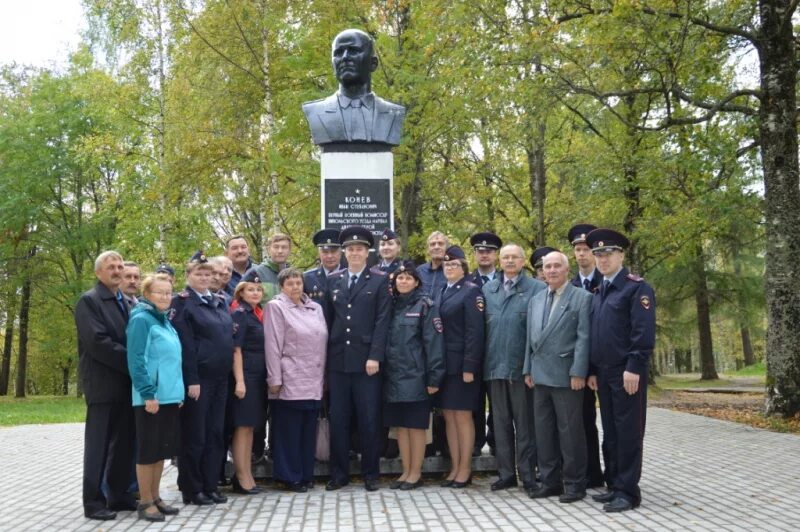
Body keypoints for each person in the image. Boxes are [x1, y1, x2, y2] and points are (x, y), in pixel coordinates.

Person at [585, 228, 656, 513]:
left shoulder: (636, 288)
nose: (603, 259)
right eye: (598, 254)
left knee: (628, 432)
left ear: (621, 255)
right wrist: (591, 370)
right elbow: (595, 334)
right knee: (611, 432)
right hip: (603, 373)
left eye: (608, 253)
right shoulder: (600, 289)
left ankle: (628, 492)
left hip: (626, 372)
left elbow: (643, 332)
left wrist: (634, 367)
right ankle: (614, 485)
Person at [323, 226, 391, 491]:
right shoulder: (334, 280)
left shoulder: (379, 280)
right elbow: (328, 322)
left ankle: (370, 474)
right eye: (350, 249)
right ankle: (339, 474)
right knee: (338, 419)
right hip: (338, 361)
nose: (354, 253)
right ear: (344, 252)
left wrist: (375, 355)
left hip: (367, 363)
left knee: (368, 419)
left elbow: (382, 321)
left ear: (367, 252)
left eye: (359, 249)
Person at [523, 251, 592, 503]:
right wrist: (527, 369)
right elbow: (530, 341)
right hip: (539, 376)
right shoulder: (537, 299)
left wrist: (578, 371)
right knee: (544, 432)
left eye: (556, 266)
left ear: (566, 270)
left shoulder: (582, 298)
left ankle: (575, 484)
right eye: (546, 267)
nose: (550, 270)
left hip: (566, 376)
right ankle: (550, 482)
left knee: (570, 432)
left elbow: (584, 339)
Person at [74, 251, 136, 521]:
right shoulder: (90, 301)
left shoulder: (127, 302)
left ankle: (119, 495)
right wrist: (135, 362)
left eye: (120, 266)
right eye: (111, 267)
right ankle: (94, 502)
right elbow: (98, 343)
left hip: (126, 385)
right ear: (98, 272)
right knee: (98, 446)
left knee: (124, 444)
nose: (117, 270)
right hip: (102, 386)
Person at [171, 251, 234, 506]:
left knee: (215, 434)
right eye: (199, 273)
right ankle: (192, 488)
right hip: (198, 380)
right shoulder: (182, 303)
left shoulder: (218, 301)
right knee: (195, 436)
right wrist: (191, 379)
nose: (204, 277)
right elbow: (185, 345)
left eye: (208, 274)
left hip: (220, 379)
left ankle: (210, 486)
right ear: (188, 275)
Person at [483, 244, 546, 494]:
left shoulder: (537, 289)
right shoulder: (488, 289)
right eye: (505, 257)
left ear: (522, 262)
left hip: (521, 371)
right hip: (494, 369)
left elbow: (538, 334)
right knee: (500, 425)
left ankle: (529, 476)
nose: (509, 261)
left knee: (525, 426)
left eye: (514, 257)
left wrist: (529, 368)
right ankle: (506, 474)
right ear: (500, 261)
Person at [126, 273, 184, 522]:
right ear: (147, 294)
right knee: (148, 450)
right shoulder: (142, 319)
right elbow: (136, 359)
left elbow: (173, 361)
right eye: (159, 292)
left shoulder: (164, 320)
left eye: (168, 292)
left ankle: (156, 496)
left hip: (169, 397)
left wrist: (178, 392)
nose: (164, 296)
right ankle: (145, 501)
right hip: (151, 397)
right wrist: (148, 392)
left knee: (161, 450)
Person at [265, 268, 328, 492]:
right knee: (289, 432)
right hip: (289, 377)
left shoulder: (315, 307)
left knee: (307, 431)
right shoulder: (276, 307)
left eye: (298, 282)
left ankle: (305, 474)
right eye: (289, 283)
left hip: (313, 378)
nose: (295, 287)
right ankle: (289, 476)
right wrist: (274, 377)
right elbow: (272, 345)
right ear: (282, 286)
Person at [383, 261, 445, 490]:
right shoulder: (389, 305)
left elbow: (434, 344)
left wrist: (434, 377)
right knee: (400, 427)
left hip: (416, 376)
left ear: (417, 282)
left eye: (408, 278)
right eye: (400, 278)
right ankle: (405, 471)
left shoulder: (425, 305)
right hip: (393, 376)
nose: (404, 281)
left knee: (416, 426)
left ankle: (415, 473)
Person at [302, 29, 406, 146]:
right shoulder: (315, 111)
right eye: (338, 53)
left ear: (373, 63)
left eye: (354, 51)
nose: (345, 57)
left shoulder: (393, 113)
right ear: (333, 65)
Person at [436, 246, 485, 488]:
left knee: (463, 417)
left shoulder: (471, 291)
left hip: (463, 367)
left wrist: (470, 366)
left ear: (464, 267)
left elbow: (475, 333)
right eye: (446, 265)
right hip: (445, 366)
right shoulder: (443, 290)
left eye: (454, 264)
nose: (450, 268)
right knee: (449, 417)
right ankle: (454, 467)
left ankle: (465, 469)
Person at [567, 223, 606, 489]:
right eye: (577, 250)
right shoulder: (569, 286)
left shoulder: (606, 281)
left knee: (612, 426)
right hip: (579, 366)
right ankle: (590, 472)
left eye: (585, 249)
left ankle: (612, 473)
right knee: (582, 422)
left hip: (604, 364)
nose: (581, 254)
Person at [228, 271, 267, 495]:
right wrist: (240, 381)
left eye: (258, 289)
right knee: (242, 427)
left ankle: (248, 474)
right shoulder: (241, 313)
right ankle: (241, 476)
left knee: (250, 426)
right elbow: (236, 349)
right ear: (241, 292)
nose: (255, 292)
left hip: (258, 376)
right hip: (246, 377)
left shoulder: (256, 312)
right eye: (250, 289)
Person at [468, 231, 503, 457]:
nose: (484, 255)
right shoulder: (466, 281)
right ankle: (476, 442)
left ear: (496, 254)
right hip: (473, 352)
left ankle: (498, 443)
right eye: (480, 251)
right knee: (475, 402)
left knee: (498, 403)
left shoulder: (504, 280)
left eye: (489, 251)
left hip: (497, 350)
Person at [247, 232, 292, 302]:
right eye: (276, 247)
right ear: (268, 250)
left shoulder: (294, 275)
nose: (280, 251)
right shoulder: (256, 273)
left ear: (289, 250)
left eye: (284, 247)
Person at [304, 228, 343, 306]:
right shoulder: (306, 278)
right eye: (325, 252)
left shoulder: (349, 276)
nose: (330, 256)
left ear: (340, 252)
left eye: (333, 251)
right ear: (319, 253)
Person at [417, 231, 448, 297]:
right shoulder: (419, 271)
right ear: (428, 249)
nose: (436, 247)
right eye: (432, 244)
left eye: (440, 244)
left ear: (447, 248)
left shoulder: (453, 272)